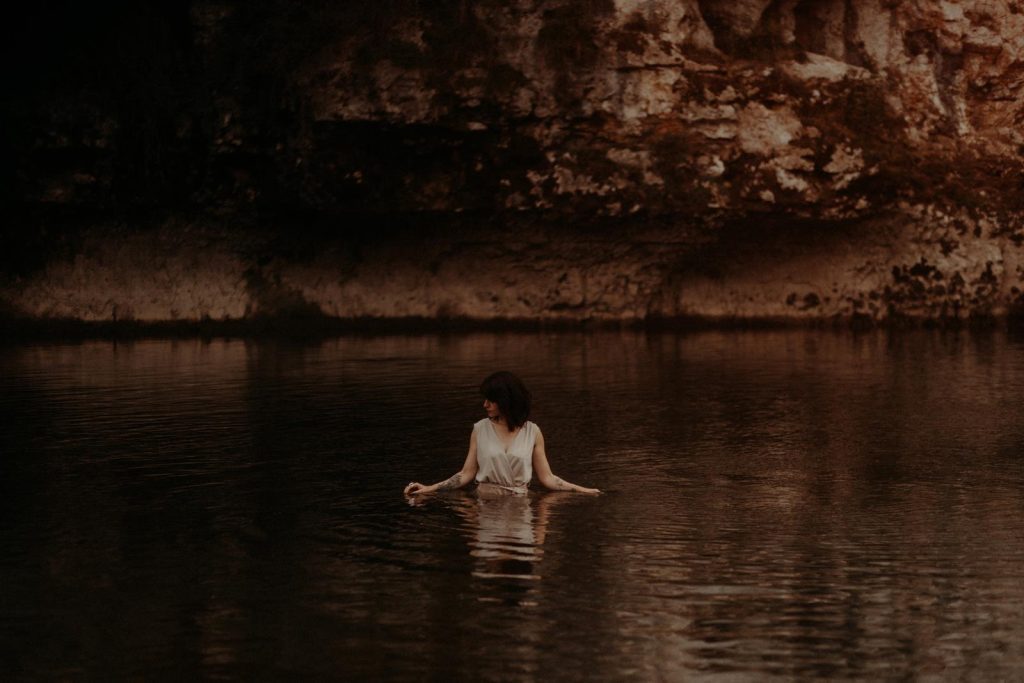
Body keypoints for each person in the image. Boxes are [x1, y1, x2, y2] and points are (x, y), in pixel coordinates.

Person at [404, 371, 601, 497]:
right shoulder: (480, 429)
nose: (485, 405)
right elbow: (465, 475)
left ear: (506, 400)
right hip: (485, 503)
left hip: (519, 507)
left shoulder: (533, 432)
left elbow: (548, 478)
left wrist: (584, 491)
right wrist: (428, 488)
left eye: (491, 400)